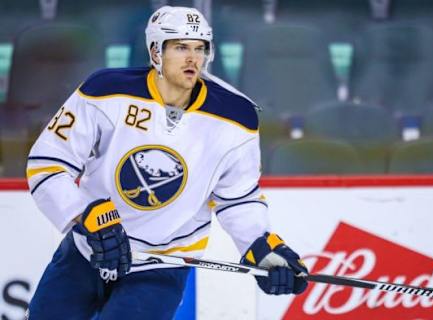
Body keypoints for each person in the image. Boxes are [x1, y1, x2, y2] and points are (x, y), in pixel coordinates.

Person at [26, 5, 307, 319]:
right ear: (156, 52)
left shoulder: (236, 117)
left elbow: (238, 197)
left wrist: (260, 245)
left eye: (200, 48)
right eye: (181, 47)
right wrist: (83, 214)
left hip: (163, 263)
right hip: (88, 248)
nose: (193, 58)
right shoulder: (104, 91)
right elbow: (48, 162)